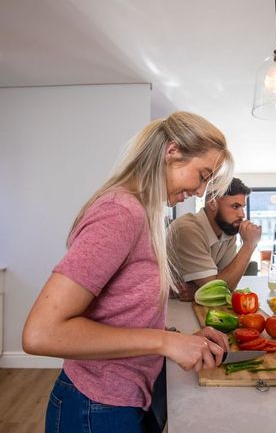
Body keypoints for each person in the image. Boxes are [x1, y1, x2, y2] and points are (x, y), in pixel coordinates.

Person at [22, 111, 234, 433]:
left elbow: (124, 314)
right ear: (172, 151)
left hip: (124, 399)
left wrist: (179, 340)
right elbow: (41, 333)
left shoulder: (145, 212)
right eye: (202, 175)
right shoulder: (121, 212)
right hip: (95, 409)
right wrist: (163, 343)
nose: (202, 191)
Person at [168, 177, 262, 301]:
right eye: (235, 206)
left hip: (186, 306)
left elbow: (228, 284)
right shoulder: (187, 229)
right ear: (212, 203)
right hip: (164, 307)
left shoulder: (227, 231)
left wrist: (197, 291)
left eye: (242, 207)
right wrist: (249, 245)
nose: (242, 215)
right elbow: (216, 289)